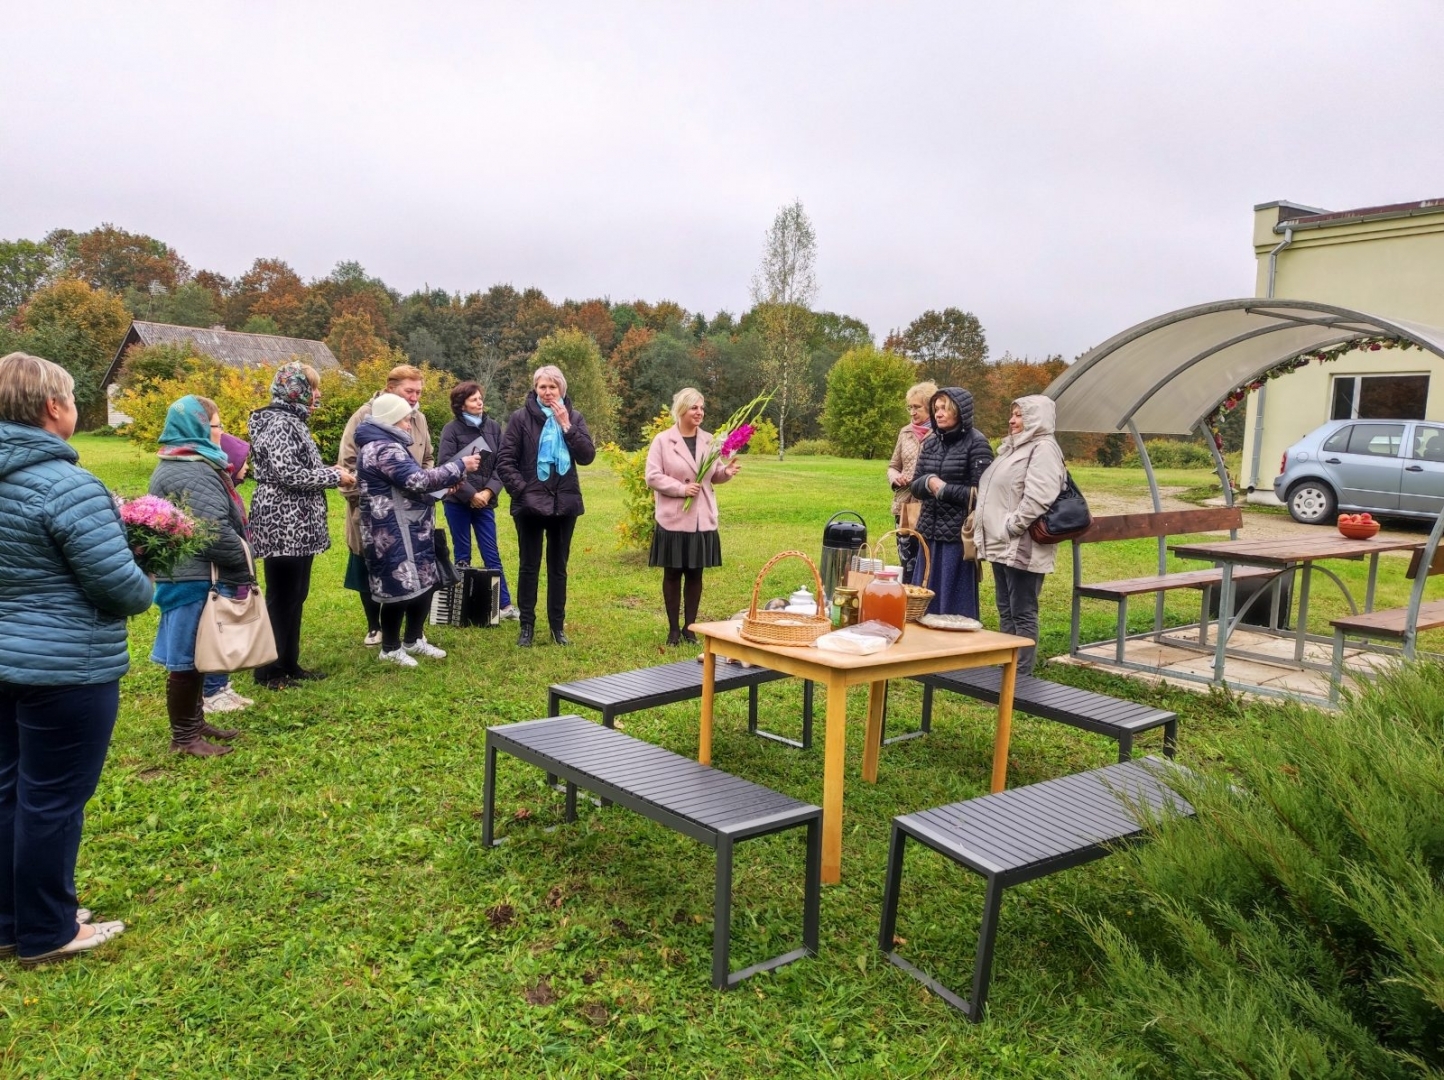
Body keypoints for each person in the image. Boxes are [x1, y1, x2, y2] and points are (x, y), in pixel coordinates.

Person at [0, 351, 151, 966]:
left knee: (8, 791)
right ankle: (49, 930)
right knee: (54, 798)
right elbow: (121, 588)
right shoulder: (66, 484)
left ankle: (14, 918)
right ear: (51, 408)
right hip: (64, 668)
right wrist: (146, 572)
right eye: (70, 397)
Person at [148, 396, 254, 756]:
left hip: (188, 574)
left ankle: (195, 723)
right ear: (196, 428)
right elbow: (212, 531)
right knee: (187, 658)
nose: (221, 433)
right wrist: (243, 565)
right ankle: (184, 738)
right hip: (192, 578)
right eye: (215, 425)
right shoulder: (190, 469)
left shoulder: (185, 461)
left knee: (196, 654)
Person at [248, 362, 354, 690]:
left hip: (299, 523)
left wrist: (327, 468)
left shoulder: (293, 419)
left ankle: (289, 663)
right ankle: (268, 671)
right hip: (283, 522)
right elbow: (288, 474)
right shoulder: (279, 422)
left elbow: (299, 466)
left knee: (296, 594)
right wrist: (334, 475)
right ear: (297, 390)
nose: (318, 394)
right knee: (282, 597)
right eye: (314, 387)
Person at [355, 393, 479, 666]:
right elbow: (417, 479)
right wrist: (460, 465)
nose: (409, 425)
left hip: (411, 528)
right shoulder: (383, 448)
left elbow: (411, 487)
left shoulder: (388, 445)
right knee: (398, 592)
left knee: (425, 584)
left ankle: (413, 639)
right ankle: (390, 648)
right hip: (392, 532)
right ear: (389, 420)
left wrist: (447, 487)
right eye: (404, 420)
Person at [496, 364, 596, 647]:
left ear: (561, 389)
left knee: (558, 567)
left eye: (553, 387)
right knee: (529, 565)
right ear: (535, 389)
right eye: (543, 387)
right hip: (529, 504)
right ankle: (526, 625)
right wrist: (523, 490)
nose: (548, 392)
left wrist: (567, 425)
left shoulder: (574, 417)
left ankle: (556, 627)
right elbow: (505, 461)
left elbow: (587, 455)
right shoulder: (519, 419)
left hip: (564, 502)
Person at [339, 365, 434, 646]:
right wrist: (369, 498)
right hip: (373, 510)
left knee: (411, 564)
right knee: (369, 564)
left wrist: (422, 484)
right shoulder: (364, 417)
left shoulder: (419, 419)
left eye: (418, 391)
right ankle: (374, 626)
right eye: (409, 391)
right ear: (391, 388)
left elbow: (427, 459)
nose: (415, 397)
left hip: (413, 510)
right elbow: (347, 465)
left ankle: (411, 631)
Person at [971, 395, 1067, 675]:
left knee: (1022, 611)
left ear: (1036, 417)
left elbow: (1040, 496)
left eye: (1019, 415)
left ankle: (1021, 677)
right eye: (1012, 414)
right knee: (1005, 608)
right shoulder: (1014, 448)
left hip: (1023, 544)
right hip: (1003, 544)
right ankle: (1006, 669)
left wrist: (1012, 526)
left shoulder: (1044, 448)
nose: (1012, 420)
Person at [645, 387, 741, 646]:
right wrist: (680, 489)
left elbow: (714, 475)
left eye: (701, 408)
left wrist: (727, 472)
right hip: (674, 518)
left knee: (696, 574)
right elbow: (652, 476)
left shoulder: (710, 440)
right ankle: (673, 630)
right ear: (681, 410)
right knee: (673, 573)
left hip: (701, 518)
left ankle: (690, 628)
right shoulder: (663, 441)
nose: (700, 412)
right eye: (694, 408)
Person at [909, 387, 994, 618]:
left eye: (945, 408)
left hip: (957, 537)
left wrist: (944, 489)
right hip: (929, 533)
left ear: (960, 411)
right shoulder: (931, 442)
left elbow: (985, 495)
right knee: (923, 599)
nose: (938, 413)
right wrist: (928, 482)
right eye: (936, 408)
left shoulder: (977, 443)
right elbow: (915, 485)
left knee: (952, 606)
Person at [437, 381, 518, 619]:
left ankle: (504, 605)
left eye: (480, 398)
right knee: (462, 553)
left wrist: (488, 492)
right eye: (473, 399)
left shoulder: (493, 428)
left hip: (485, 502)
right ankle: (463, 607)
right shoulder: (450, 430)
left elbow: (503, 464)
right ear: (461, 405)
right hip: (457, 502)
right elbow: (445, 465)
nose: (479, 402)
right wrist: (470, 494)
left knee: (491, 552)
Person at [202, 431, 255, 716]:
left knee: (228, 632)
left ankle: (222, 686)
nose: (247, 467)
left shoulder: (231, 491)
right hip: (224, 573)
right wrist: (242, 558)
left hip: (234, 574)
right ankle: (211, 691)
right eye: (244, 462)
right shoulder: (219, 491)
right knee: (219, 632)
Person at [886, 380, 938, 584]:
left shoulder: (940, 434)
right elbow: (893, 465)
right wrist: (895, 477)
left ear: (930, 408)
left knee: (926, 560)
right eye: (910, 407)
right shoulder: (905, 432)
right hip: (905, 505)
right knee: (906, 561)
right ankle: (908, 602)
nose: (912, 412)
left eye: (917, 407)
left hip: (929, 506)